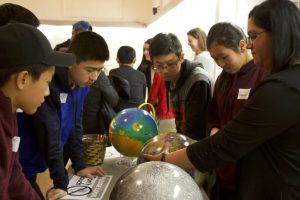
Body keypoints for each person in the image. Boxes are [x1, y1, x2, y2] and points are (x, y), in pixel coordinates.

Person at [144, 0, 300, 199]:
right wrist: (213, 129)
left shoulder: (281, 88)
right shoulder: (282, 81)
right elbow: (215, 117)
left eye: (253, 36)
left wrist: (165, 159)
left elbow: (226, 143)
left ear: (279, 32)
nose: (250, 44)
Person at [17, 31, 109, 200]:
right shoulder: (49, 84)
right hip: (22, 163)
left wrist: (79, 165)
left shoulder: (82, 84)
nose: (94, 77)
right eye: (90, 70)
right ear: (70, 62)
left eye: (99, 70)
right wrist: (60, 182)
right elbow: (49, 132)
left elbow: (76, 124)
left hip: (39, 161)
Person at [0, 22, 75, 200]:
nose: (48, 92)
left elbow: (14, 175)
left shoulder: (8, 113)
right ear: (23, 79)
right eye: (47, 83)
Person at [206, 22, 268, 200]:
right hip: (222, 169)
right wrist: (213, 129)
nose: (220, 64)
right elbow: (213, 113)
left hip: (250, 175)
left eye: (224, 57)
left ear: (242, 45)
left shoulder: (262, 75)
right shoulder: (222, 79)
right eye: (215, 59)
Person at [149, 33, 214, 140]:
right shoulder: (171, 79)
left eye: (170, 64)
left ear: (182, 57)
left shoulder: (198, 81)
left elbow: (195, 133)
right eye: (159, 66)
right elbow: (180, 125)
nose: (165, 71)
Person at [137, 39, 176, 133]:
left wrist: (149, 108)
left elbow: (152, 95)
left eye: (148, 49)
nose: (145, 52)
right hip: (162, 112)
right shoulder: (143, 68)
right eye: (144, 49)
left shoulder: (160, 70)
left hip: (163, 112)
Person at [109, 45, 147, 112]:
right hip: (140, 112)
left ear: (117, 60)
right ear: (134, 60)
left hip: (120, 113)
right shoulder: (141, 75)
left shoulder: (113, 72)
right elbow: (142, 97)